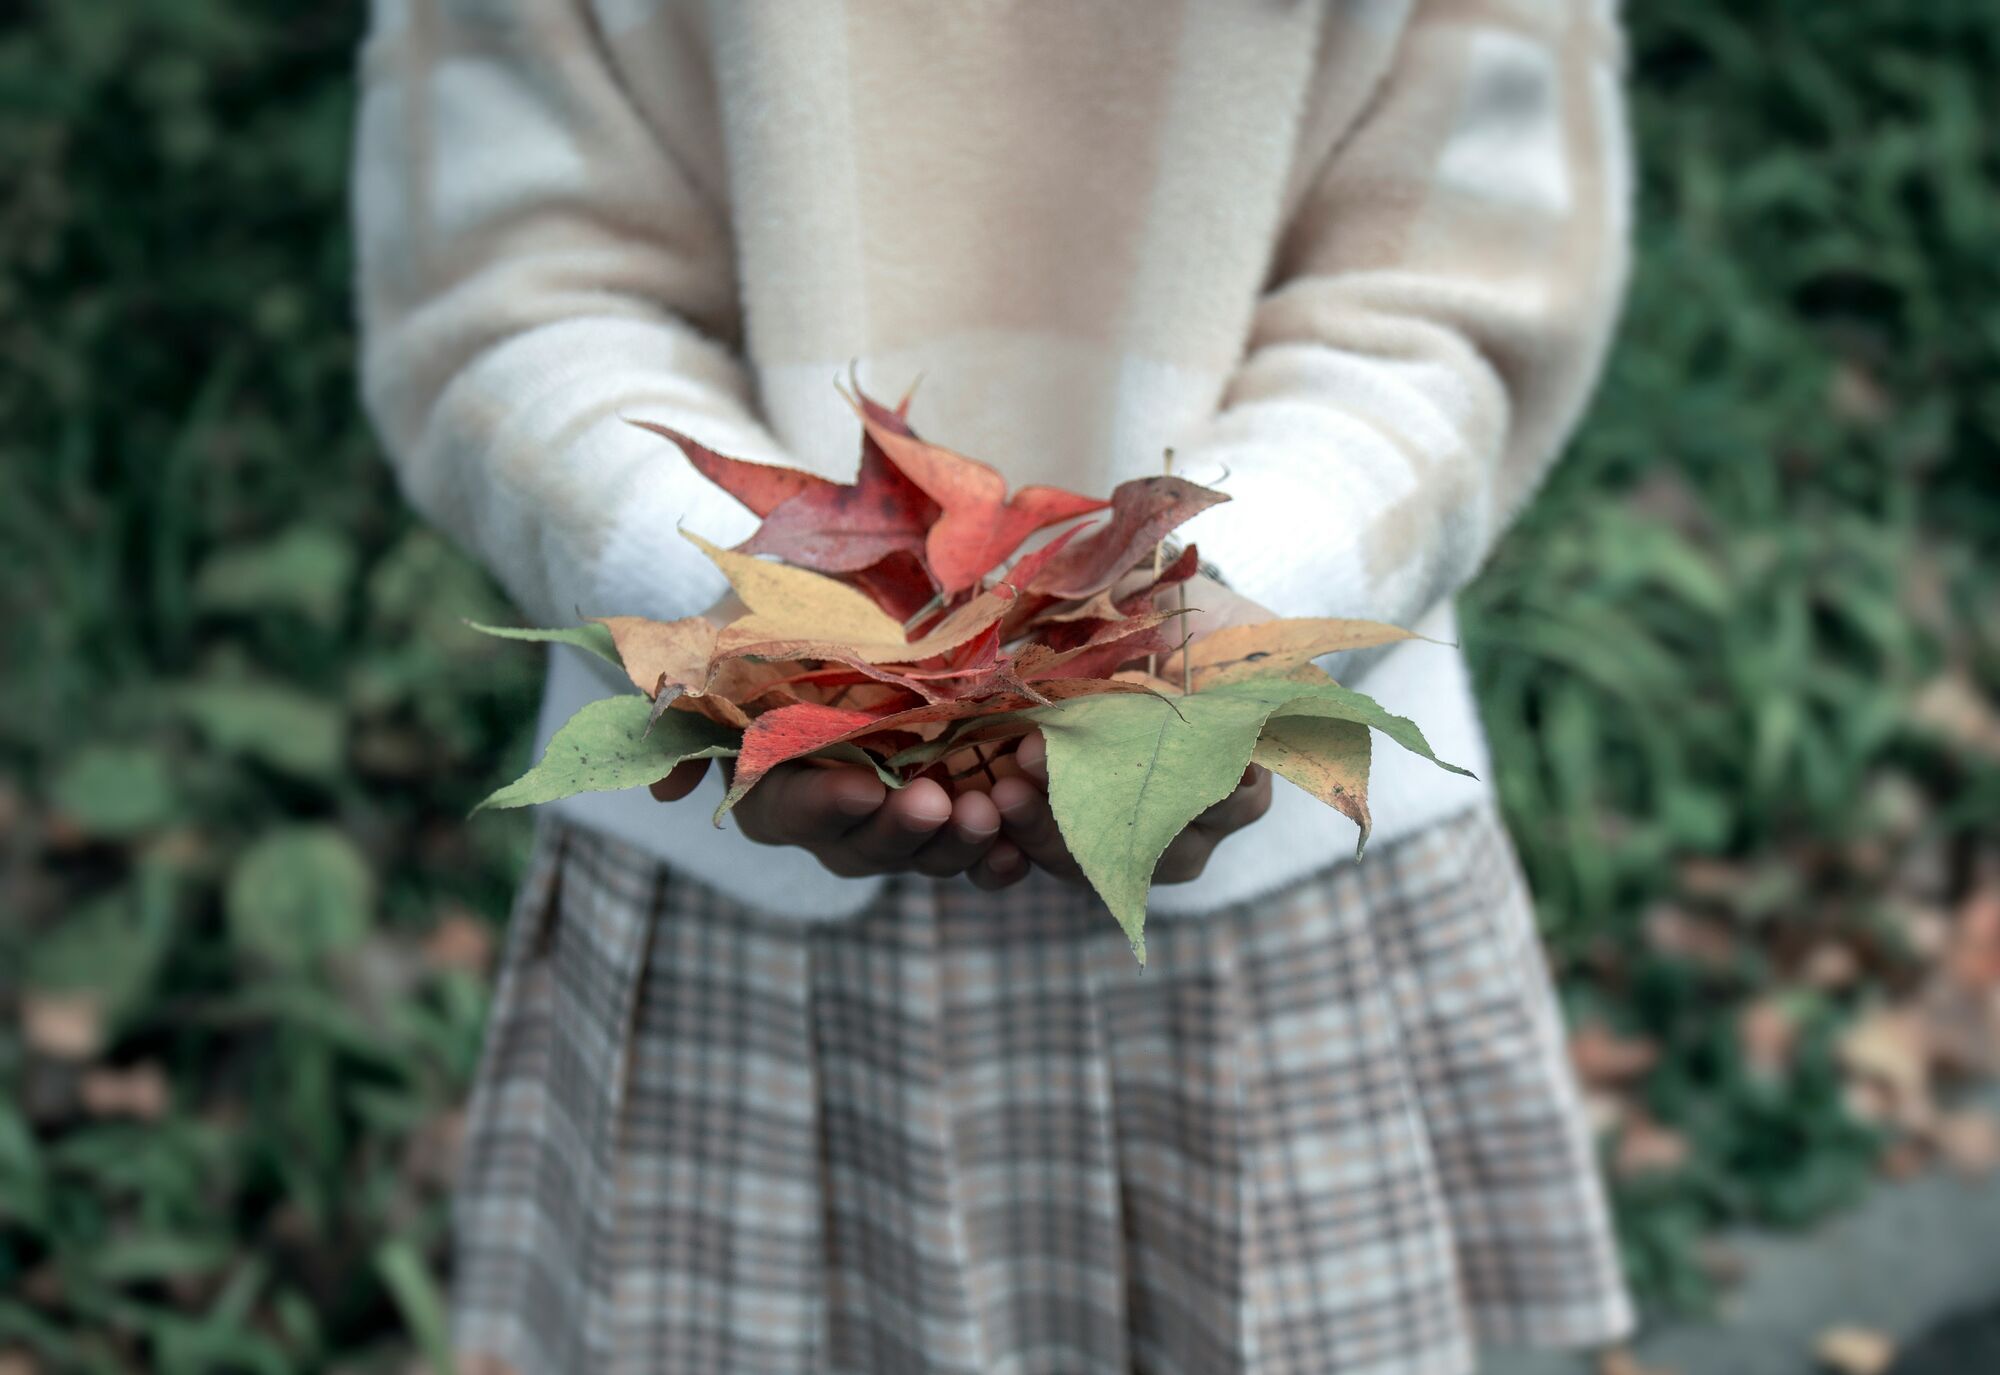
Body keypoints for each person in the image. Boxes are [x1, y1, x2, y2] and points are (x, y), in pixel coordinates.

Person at [354, 2, 1636, 1370]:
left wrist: (1228, 621)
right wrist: (736, 631)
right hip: (746, 892)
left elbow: (1460, 286)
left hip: (1268, 913)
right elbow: (508, 281)